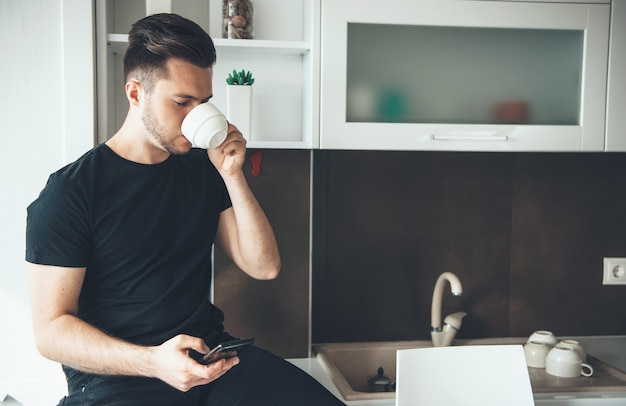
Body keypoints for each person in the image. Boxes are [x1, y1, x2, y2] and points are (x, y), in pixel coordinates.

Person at [26, 13, 345, 406]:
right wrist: (152, 362)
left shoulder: (202, 171)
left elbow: (264, 267)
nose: (196, 116)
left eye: (204, 103)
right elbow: (51, 332)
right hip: (121, 380)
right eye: (182, 102)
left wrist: (232, 175)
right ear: (135, 93)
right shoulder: (70, 193)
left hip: (212, 361)